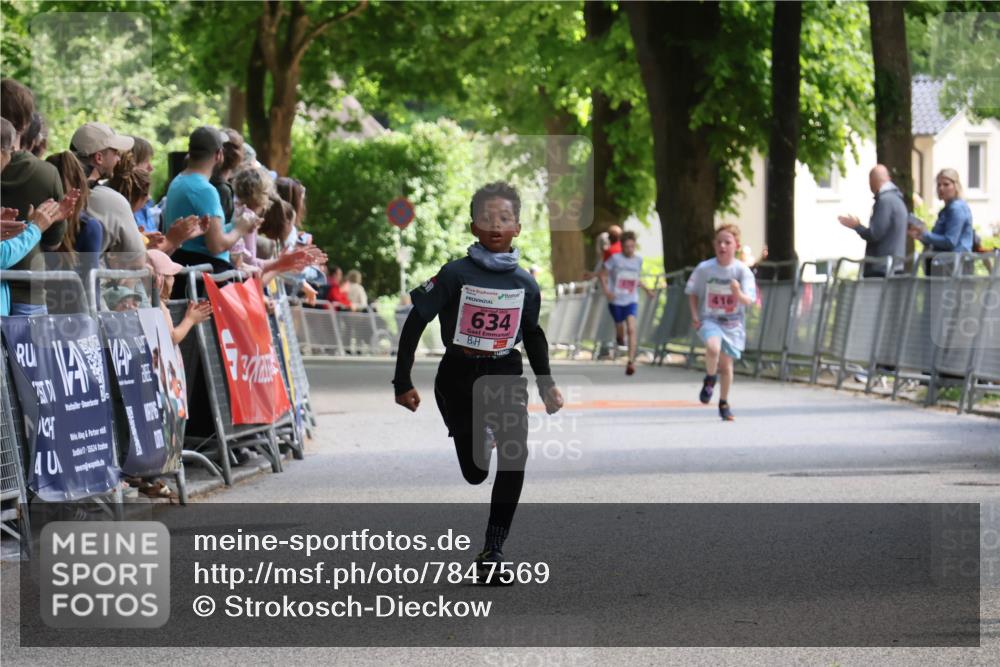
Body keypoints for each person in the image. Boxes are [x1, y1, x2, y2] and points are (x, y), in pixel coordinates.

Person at [393, 181, 563, 581]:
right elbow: (417, 320)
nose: (496, 225)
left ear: (517, 227)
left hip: (504, 374)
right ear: (474, 227)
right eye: (487, 218)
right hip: (458, 378)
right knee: (475, 473)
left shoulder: (525, 284)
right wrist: (402, 381)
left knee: (515, 453)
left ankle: (493, 549)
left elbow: (533, 334)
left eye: (504, 218)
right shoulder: (455, 274)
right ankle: (479, 435)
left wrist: (546, 384)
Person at [162, 127, 259, 293]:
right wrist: (240, 229)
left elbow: (206, 234)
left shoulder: (178, 181)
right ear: (219, 155)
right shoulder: (205, 190)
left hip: (184, 269)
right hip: (205, 280)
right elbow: (216, 245)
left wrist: (235, 224)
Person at [1, 79, 67, 315]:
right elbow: (53, 242)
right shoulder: (46, 173)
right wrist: (38, 226)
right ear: (27, 122)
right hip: (28, 292)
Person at [686, 224, 757, 421]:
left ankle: (724, 402)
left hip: (733, 324)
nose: (723, 246)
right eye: (719, 242)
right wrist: (694, 315)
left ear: (736, 246)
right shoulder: (705, 269)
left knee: (726, 365)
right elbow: (692, 292)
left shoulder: (742, 271)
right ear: (714, 245)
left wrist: (737, 292)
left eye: (727, 242)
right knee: (713, 347)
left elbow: (748, 300)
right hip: (709, 319)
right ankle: (710, 378)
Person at [70, 121, 150, 270]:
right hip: (93, 282)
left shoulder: (56, 189)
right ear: (99, 158)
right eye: (116, 153)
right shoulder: (112, 200)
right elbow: (137, 260)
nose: (118, 159)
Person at [600, 230, 654, 376]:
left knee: (631, 329)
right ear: (622, 246)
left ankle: (631, 362)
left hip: (631, 299)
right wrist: (607, 291)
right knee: (620, 327)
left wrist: (647, 290)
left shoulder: (638, 260)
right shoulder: (615, 259)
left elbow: (635, 278)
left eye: (632, 246)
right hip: (616, 299)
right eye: (627, 247)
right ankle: (619, 337)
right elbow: (602, 275)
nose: (630, 250)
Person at [837, 164, 907, 277]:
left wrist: (857, 226)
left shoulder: (885, 201)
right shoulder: (898, 200)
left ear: (872, 181)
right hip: (896, 267)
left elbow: (875, 234)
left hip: (881, 270)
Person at [908, 168, 974, 254]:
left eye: (946, 184)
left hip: (956, 260)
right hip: (944, 259)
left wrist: (925, 234)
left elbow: (950, 241)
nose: (941, 188)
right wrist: (919, 234)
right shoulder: (946, 210)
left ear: (956, 186)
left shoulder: (957, 208)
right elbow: (937, 242)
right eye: (939, 185)